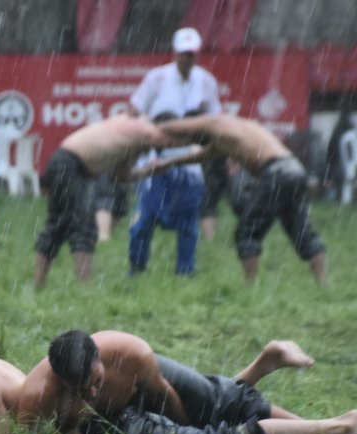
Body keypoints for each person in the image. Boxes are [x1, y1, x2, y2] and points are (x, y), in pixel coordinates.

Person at [18, 330, 357, 434]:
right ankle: (329, 429)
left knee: (214, 404)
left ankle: (328, 429)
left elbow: (166, 395)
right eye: (82, 390)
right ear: (62, 380)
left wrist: (190, 427)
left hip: (149, 384)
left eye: (96, 381)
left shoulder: (130, 354)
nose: (92, 392)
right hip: (111, 427)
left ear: (100, 358)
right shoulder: (38, 397)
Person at [154, 114, 327, 285]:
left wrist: (154, 128)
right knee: (301, 230)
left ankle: (250, 286)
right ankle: (323, 284)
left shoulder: (219, 124)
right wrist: (167, 163)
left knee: (246, 232)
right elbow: (201, 156)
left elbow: (197, 123)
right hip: (295, 169)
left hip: (276, 172)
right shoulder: (235, 132)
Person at [32, 114, 176, 290]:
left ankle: (58, 285)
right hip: (68, 163)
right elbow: (159, 136)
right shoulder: (141, 127)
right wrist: (192, 148)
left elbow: (118, 176)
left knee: (71, 226)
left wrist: (148, 171)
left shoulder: (131, 144)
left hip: (77, 168)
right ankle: (75, 286)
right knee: (66, 225)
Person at [127, 28, 221, 276]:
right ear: (175, 53)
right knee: (144, 218)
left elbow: (216, 118)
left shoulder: (207, 82)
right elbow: (134, 110)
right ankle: (136, 268)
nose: (187, 59)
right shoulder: (157, 78)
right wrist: (140, 135)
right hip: (156, 158)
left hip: (189, 160)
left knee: (188, 222)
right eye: (183, 54)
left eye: (191, 54)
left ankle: (185, 272)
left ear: (197, 54)